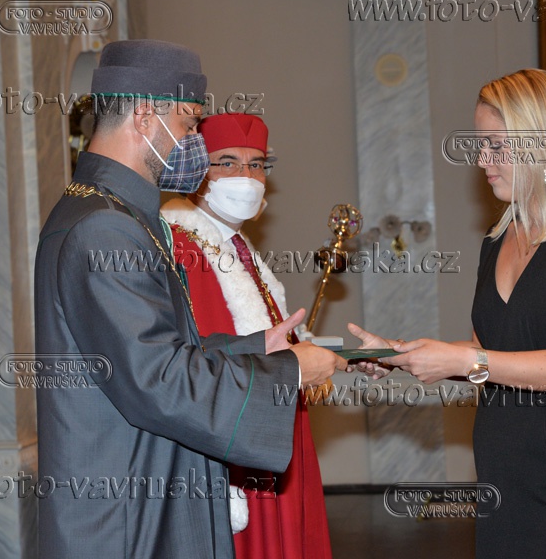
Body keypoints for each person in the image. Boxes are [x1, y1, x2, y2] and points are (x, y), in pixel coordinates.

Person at [34, 40, 345, 559]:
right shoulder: (104, 228)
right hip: (128, 519)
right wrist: (289, 372)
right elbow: (158, 380)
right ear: (145, 117)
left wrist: (255, 349)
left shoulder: (114, 212)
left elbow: (157, 351)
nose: (196, 141)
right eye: (190, 123)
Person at [352, 69, 546, 556]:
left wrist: (466, 360)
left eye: (495, 145)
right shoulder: (497, 240)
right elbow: (486, 352)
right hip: (506, 492)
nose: (481, 160)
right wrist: (398, 354)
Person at [161, 112, 331, 559]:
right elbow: (200, 359)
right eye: (228, 163)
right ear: (197, 171)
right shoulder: (182, 247)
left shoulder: (237, 246)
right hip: (239, 443)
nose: (247, 177)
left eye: (257, 165)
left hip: (274, 431)